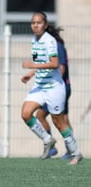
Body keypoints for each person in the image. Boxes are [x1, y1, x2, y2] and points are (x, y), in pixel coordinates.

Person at [21, 11, 82, 165]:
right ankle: (48, 140)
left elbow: (55, 64)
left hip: (54, 87)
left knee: (58, 122)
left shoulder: (50, 41)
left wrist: (32, 65)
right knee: (26, 114)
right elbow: (41, 63)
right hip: (40, 86)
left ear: (45, 25)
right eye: (33, 23)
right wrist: (31, 73)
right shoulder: (34, 40)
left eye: (38, 22)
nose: (35, 25)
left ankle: (75, 152)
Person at [36, 25, 72, 159]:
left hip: (58, 88)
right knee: (56, 118)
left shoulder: (57, 46)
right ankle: (65, 148)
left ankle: (59, 148)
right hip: (57, 87)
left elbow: (61, 69)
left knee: (46, 116)